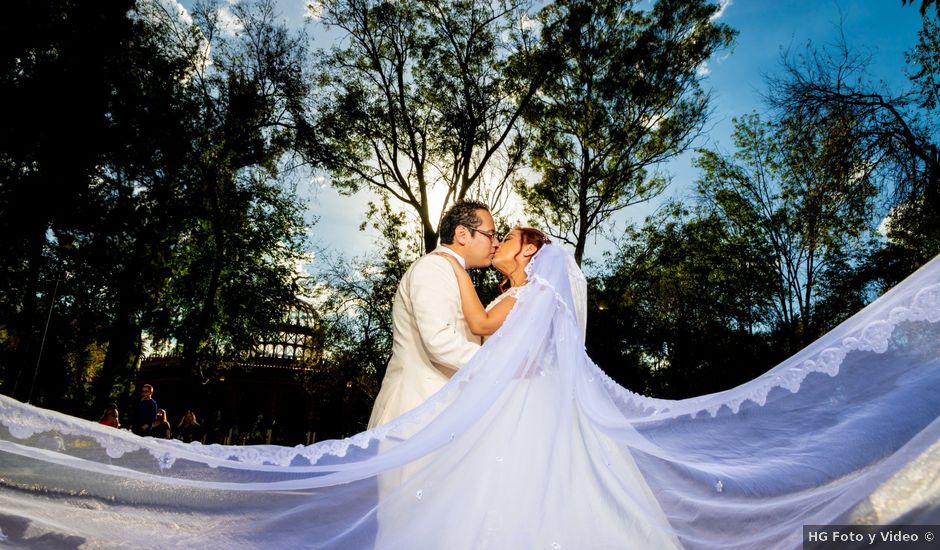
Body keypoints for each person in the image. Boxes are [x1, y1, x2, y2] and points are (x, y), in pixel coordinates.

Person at [1, 244, 939, 548]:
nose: (506, 252)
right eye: (495, 242)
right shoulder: (514, 291)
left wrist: (489, 299)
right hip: (529, 410)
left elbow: (483, 343)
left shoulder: (520, 293)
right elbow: (484, 345)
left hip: (503, 407)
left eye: (515, 245)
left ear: (529, 255)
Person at [367, 199, 500, 428]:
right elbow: (439, 340)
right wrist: (501, 363)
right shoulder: (433, 267)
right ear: (462, 234)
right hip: (414, 410)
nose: (496, 243)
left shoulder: (451, 270)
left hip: (440, 411)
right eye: (490, 235)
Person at [436, 227, 551, 337]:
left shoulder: (529, 293)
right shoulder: (517, 293)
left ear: (529, 249)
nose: (497, 245)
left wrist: (460, 271)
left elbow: (481, 325)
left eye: (507, 239)